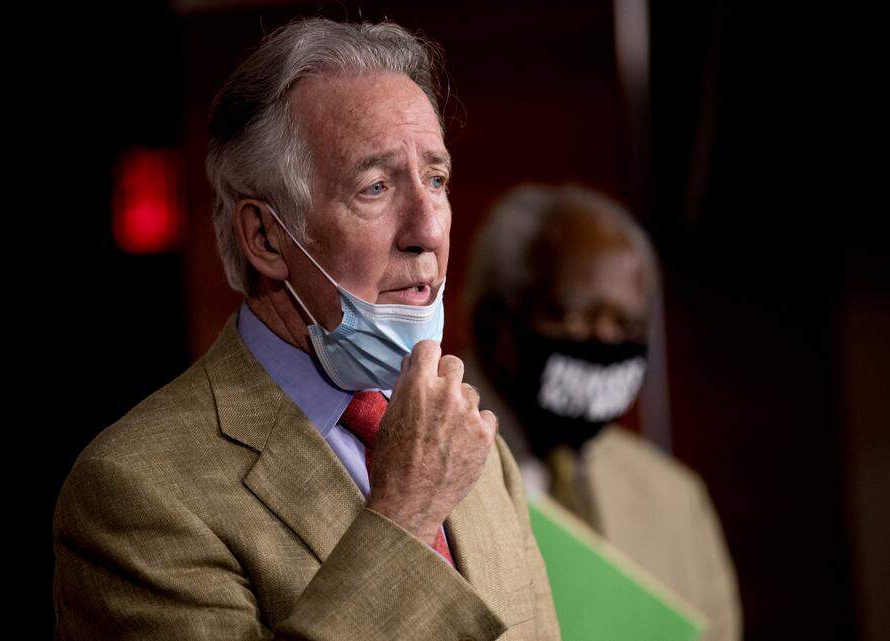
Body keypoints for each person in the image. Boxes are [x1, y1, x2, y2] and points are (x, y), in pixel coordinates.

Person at [52, 19, 560, 641]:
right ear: (266, 238)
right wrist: (405, 512)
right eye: (374, 187)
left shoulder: (473, 440)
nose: (428, 229)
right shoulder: (133, 493)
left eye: (436, 179)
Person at [465, 184, 741, 641]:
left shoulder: (677, 501)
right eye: (576, 316)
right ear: (497, 324)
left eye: (626, 325)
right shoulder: (414, 467)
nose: (604, 340)